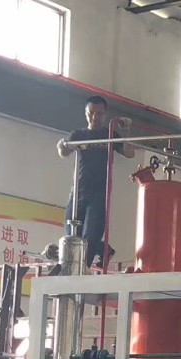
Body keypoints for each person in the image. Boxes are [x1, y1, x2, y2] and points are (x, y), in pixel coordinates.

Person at [56, 95, 132, 269]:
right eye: (91, 113)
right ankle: (102, 250)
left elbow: (129, 152)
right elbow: (63, 152)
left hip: (98, 194)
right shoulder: (79, 135)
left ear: (105, 114)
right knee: (71, 237)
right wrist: (61, 144)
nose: (94, 117)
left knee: (90, 237)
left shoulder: (108, 135)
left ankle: (82, 271)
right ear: (86, 113)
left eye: (99, 114)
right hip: (77, 193)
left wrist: (127, 131)